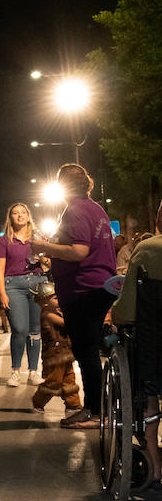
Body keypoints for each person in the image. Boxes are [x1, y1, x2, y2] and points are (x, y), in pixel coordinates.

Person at [32, 163, 117, 428]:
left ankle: (94, 411)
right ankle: (99, 407)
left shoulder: (76, 210)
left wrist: (45, 246)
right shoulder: (97, 209)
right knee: (91, 350)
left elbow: (79, 251)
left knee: (87, 352)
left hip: (84, 289)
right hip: (100, 286)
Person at [111, 200, 162, 483]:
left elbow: (128, 311)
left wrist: (115, 315)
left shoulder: (147, 249)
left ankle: (155, 466)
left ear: (158, 222)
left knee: (149, 389)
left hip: (155, 355)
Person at [0, 203, 45, 386]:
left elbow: (49, 261)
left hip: (37, 283)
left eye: (23, 212)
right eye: (15, 213)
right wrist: (2, 293)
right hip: (13, 286)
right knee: (20, 329)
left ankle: (33, 371)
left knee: (35, 330)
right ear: (10, 218)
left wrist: (44, 258)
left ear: (29, 216)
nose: (20, 215)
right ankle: (15, 372)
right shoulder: (4, 241)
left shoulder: (37, 238)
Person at [29, 285, 83, 421]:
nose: (58, 300)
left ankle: (73, 404)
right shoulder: (48, 315)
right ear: (45, 303)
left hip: (65, 353)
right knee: (53, 381)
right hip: (54, 355)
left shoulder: (56, 312)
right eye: (55, 298)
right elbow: (66, 323)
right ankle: (38, 401)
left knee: (69, 380)